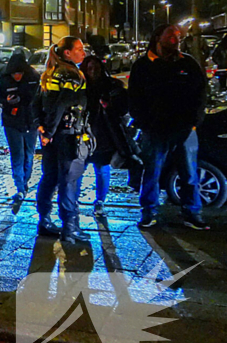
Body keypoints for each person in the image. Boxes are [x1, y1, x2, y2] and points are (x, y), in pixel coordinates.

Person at [128, 23, 208, 229]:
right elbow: (134, 98)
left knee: (189, 173)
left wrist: (194, 122)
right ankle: (148, 211)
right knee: (152, 172)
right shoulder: (142, 66)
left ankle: (192, 212)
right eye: (171, 35)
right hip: (154, 130)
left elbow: (200, 94)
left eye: (178, 36)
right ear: (158, 37)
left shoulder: (188, 64)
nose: (176, 39)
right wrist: (144, 123)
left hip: (184, 129)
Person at [33, 36, 93, 243]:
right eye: (79, 49)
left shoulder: (50, 73)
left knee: (49, 177)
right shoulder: (71, 75)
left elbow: (36, 103)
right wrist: (48, 131)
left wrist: (43, 131)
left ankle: (44, 221)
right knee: (69, 181)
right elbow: (62, 104)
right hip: (68, 136)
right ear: (67, 53)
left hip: (51, 139)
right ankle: (70, 228)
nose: (83, 53)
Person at [82, 54, 131, 217]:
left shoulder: (111, 86)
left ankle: (100, 201)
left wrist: (110, 106)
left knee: (102, 169)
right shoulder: (80, 86)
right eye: (89, 68)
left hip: (104, 134)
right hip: (83, 134)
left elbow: (123, 108)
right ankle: (72, 200)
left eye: (95, 67)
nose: (93, 71)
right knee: (77, 169)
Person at [0, 48, 39, 206]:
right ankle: (20, 187)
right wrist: (7, 101)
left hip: (31, 121)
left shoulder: (33, 77)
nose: (17, 76)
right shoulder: (5, 78)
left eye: (20, 73)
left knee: (29, 153)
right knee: (17, 155)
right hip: (12, 122)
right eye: (15, 73)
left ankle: (24, 182)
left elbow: (38, 98)